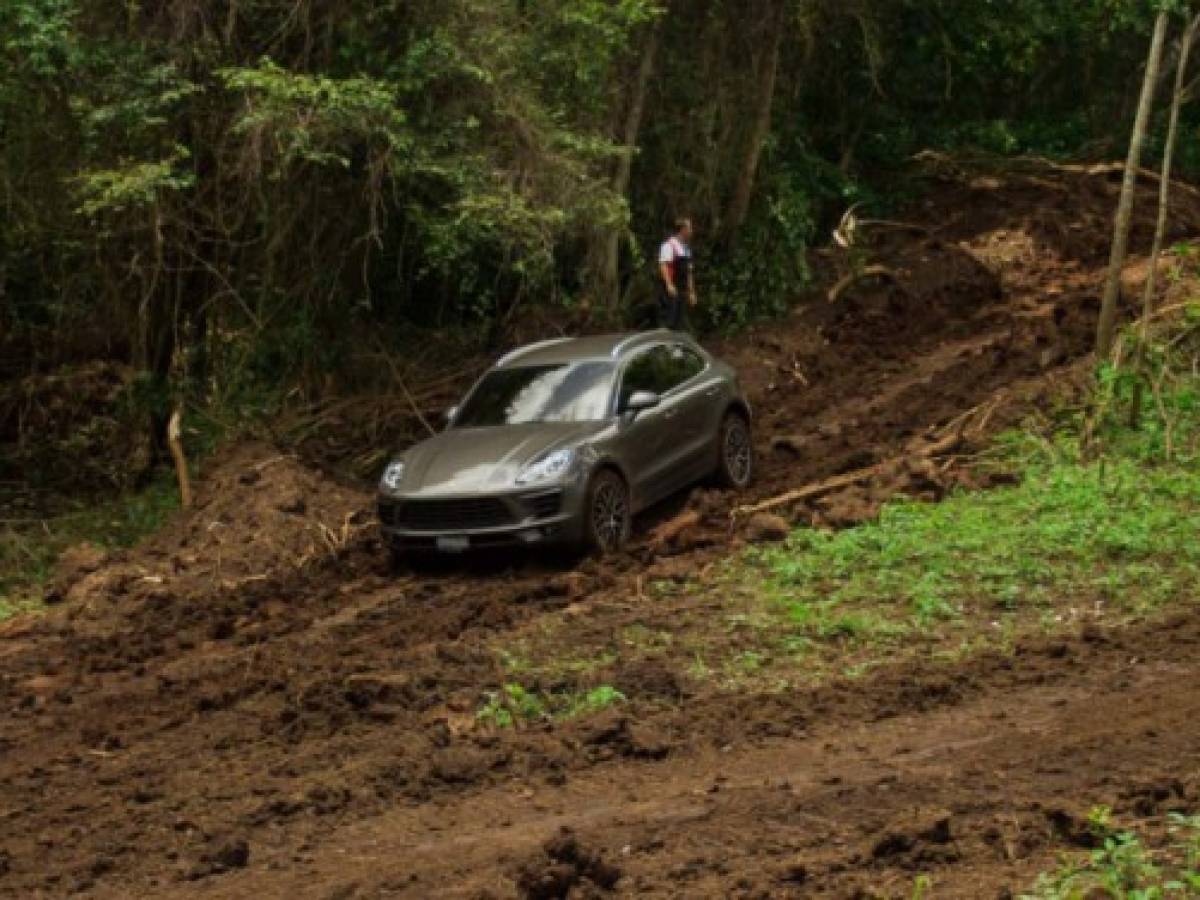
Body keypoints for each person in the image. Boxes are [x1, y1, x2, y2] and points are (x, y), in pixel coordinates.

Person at [657, 217, 697, 330]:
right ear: (683, 229)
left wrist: (691, 292)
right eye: (689, 228)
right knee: (669, 319)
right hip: (671, 288)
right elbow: (663, 265)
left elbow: (689, 272)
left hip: (682, 289)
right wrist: (669, 284)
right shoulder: (669, 245)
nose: (691, 231)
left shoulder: (686, 248)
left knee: (680, 321)